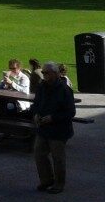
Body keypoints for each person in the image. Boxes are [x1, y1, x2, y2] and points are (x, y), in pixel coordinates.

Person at [29, 61, 76, 194]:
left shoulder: (65, 90)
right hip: (43, 127)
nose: (43, 75)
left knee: (58, 158)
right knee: (39, 153)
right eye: (43, 72)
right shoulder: (42, 87)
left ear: (55, 74)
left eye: (46, 73)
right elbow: (36, 104)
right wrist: (36, 114)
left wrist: (53, 118)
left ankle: (59, 184)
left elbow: (70, 112)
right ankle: (46, 180)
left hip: (59, 130)